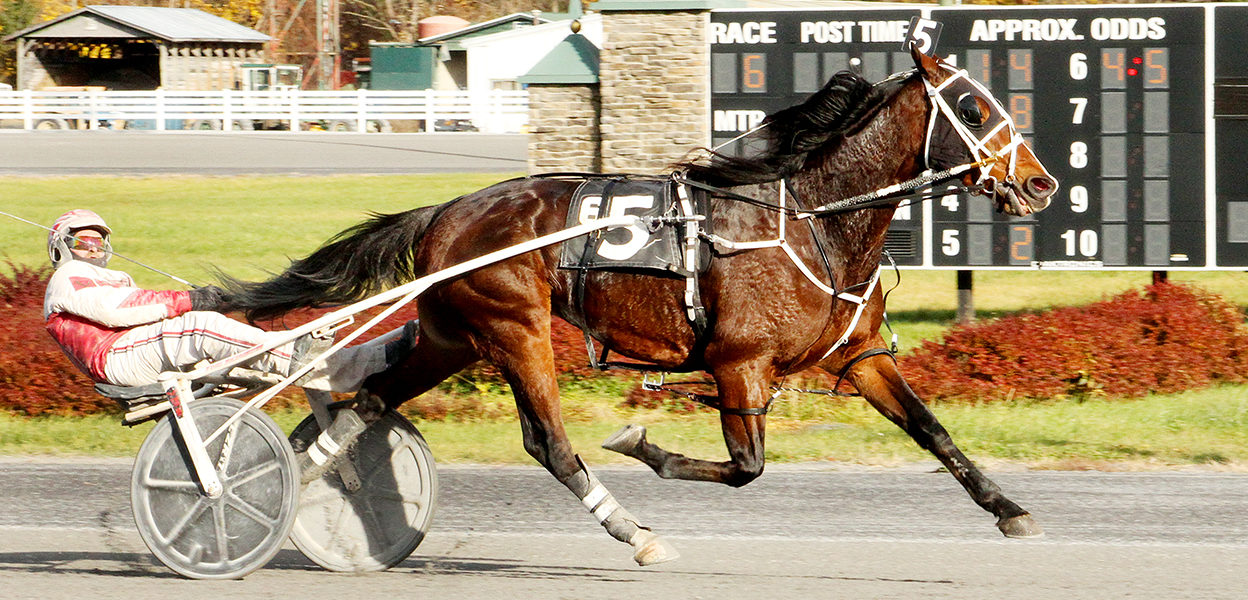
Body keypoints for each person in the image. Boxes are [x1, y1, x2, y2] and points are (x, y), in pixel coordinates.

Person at [42, 209, 413, 393]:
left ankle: (328, 361)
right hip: (116, 358)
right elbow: (115, 309)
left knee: (227, 326)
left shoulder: (104, 276)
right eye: (81, 243)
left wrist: (198, 301)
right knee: (200, 326)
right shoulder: (65, 279)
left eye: (97, 242)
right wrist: (190, 300)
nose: (92, 249)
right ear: (62, 247)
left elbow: (130, 306)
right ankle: (353, 365)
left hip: (128, 350)